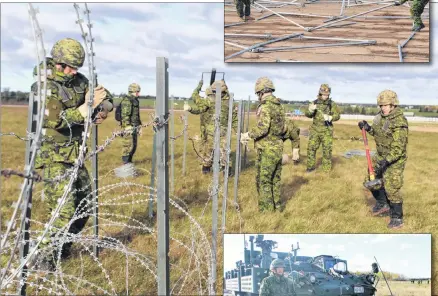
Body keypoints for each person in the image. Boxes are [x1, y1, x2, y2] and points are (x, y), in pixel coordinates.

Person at [31, 38, 112, 270]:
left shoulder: (79, 81)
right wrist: (86, 109)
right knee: (62, 211)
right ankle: (42, 257)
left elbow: (105, 97)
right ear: (57, 63)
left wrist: (102, 109)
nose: (73, 71)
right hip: (54, 157)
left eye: (77, 67)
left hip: (75, 154)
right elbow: (56, 121)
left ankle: (61, 250)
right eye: (69, 67)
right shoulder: (44, 86)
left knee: (86, 205)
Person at [358, 90, 408, 229]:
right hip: (380, 156)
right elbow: (377, 133)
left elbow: (399, 148)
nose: (383, 108)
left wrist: (386, 162)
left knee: (392, 188)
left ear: (393, 105)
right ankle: (382, 204)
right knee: (370, 181)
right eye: (381, 105)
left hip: (394, 160)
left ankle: (397, 218)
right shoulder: (379, 118)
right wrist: (367, 128)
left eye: (386, 105)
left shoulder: (399, 121)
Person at [241, 77, 285, 211]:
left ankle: (266, 212)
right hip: (278, 147)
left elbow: (263, 128)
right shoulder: (279, 106)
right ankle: (277, 207)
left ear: (260, 92)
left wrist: (248, 135)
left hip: (267, 149)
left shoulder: (265, 106)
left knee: (264, 180)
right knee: (275, 180)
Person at [184, 80, 237, 175]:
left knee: (225, 150)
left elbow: (234, 118)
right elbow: (200, 108)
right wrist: (190, 109)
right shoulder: (208, 100)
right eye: (215, 92)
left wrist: (238, 131)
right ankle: (206, 168)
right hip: (209, 131)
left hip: (223, 131)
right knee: (208, 150)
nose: (217, 94)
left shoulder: (229, 102)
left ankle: (226, 170)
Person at [305, 84, 340, 172]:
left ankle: (326, 170)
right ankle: (310, 168)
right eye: (324, 94)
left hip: (327, 131)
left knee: (327, 151)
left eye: (327, 94)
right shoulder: (314, 102)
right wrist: (310, 110)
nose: (325, 96)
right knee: (311, 149)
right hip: (315, 130)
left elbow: (338, 115)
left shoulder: (332, 104)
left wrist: (330, 117)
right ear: (320, 93)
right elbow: (308, 115)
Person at [186, 80, 213, 170]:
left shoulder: (202, 101)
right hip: (213, 129)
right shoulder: (219, 102)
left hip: (205, 129)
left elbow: (194, 94)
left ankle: (206, 167)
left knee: (205, 146)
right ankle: (209, 165)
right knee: (211, 146)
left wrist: (199, 85)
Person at [120, 83, 142, 164]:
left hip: (135, 126)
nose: (138, 93)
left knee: (134, 146)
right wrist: (127, 127)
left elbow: (137, 114)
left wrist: (139, 125)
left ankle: (129, 162)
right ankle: (126, 164)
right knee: (127, 146)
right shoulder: (127, 100)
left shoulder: (135, 100)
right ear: (132, 91)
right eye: (137, 92)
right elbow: (125, 115)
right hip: (128, 127)